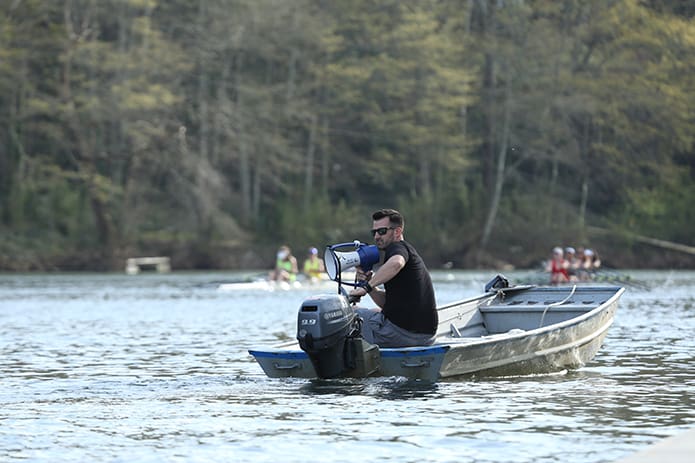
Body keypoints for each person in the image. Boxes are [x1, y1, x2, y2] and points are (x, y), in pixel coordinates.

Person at [349, 208, 438, 348]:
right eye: (374, 232)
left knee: (349, 314)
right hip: (426, 337)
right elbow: (388, 304)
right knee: (374, 312)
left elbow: (397, 262)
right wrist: (370, 286)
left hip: (403, 336)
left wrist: (366, 287)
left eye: (382, 231)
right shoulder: (408, 252)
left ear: (397, 232)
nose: (377, 236)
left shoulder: (397, 248)